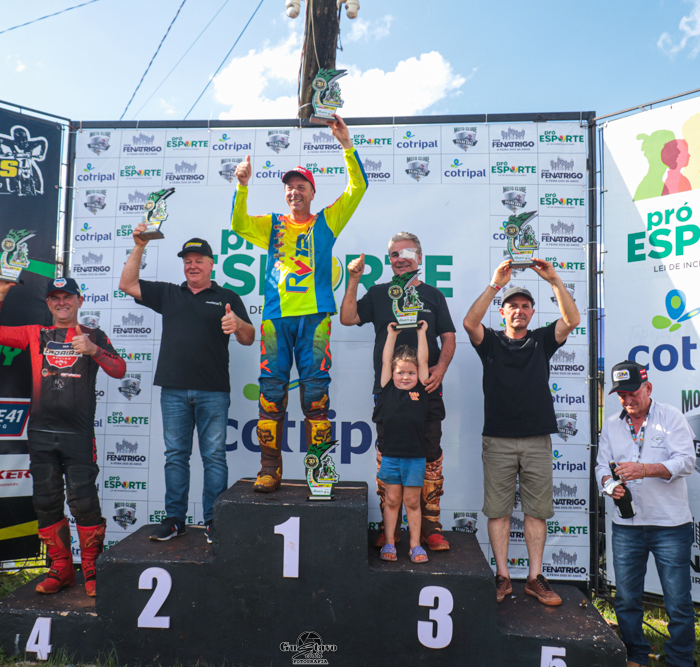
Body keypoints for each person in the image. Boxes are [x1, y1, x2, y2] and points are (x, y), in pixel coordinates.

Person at [230, 114, 367, 492]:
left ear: (312, 192)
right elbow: (239, 225)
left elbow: (358, 187)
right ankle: (269, 468)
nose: (294, 192)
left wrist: (346, 145)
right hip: (276, 320)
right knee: (271, 395)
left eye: (301, 186)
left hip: (316, 319)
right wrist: (242, 187)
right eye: (289, 187)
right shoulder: (272, 225)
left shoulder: (327, 222)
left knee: (316, 396)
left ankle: (319, 472)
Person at [0, 275, 126, 597]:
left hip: (78, 434)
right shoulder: (36, 333)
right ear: (48, 303)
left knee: (83, 501)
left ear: (79, 301)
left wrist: (93, 350)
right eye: (55, 298)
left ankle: (92, 568)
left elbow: (119, 370)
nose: (62, 302)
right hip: (42, 433)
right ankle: (61, 567)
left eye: (68, 297)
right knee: (45, 501)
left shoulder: (94, 335)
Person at [118, 235, 254, 544]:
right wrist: (139, 245)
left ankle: (215, 520)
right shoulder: (169, 293)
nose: (192, 266)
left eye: (199, 261)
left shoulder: (227, 297)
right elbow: (127, 284)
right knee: (176, 456)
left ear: (211, 264)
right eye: (187, 261)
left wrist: (238, 324)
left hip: (213, 391)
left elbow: (248, 337)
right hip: (174, 390)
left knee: (214, 457)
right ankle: (175, 520)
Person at [461, 258, 580, 606]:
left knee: (536, 511)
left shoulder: (542, 340)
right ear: (502, 312)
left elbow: (572, 320)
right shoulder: (490, 342)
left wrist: (554, 280)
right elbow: (469, 323)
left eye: (525, 306)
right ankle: (501, 576)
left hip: (536, 439)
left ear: (532, 312)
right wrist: (495, 284)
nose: (519, 311)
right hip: (497, 439)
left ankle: (534, 577)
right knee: (498, 511)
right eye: (512, 306)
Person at [339, 232, 456, 551]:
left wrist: (440, 368)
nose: (400, 259)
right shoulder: (379, 293)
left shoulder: (433, 295)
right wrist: (354, 279)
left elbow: (448, 337)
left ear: (420, 257)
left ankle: (431, 526)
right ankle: (389, 527)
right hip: (388, 392)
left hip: (427, 389)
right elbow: (347, 318)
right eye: (394, 254)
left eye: (406, 253)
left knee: (430, 453)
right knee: (388, 454)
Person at [596, 360, 696, 667]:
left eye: (633, 393)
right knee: (626, 598)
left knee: (677, 600)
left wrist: (645, 469)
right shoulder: (611, 424)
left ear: (648, 388)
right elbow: (602, 466)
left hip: (670, 524)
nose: (628, 400)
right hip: (627, 525)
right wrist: (610, 486)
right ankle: (636, 655)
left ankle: (680, 659)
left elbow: (686, 461)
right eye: (621, 395)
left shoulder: (671, 417)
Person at [376, 321, 431, 564]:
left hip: (415, 457)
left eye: (411, 372)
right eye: (400, 372)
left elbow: (424, 361)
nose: (405, 377)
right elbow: (386, 360)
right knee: (391, 501)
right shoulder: (387, 387)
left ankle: (415, 545)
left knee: (412, 502)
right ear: (392, 373)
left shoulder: (422, 388)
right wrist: (391, 335)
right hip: (390, 456)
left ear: (417, 374)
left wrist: (422, 333)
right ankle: (389, 542)